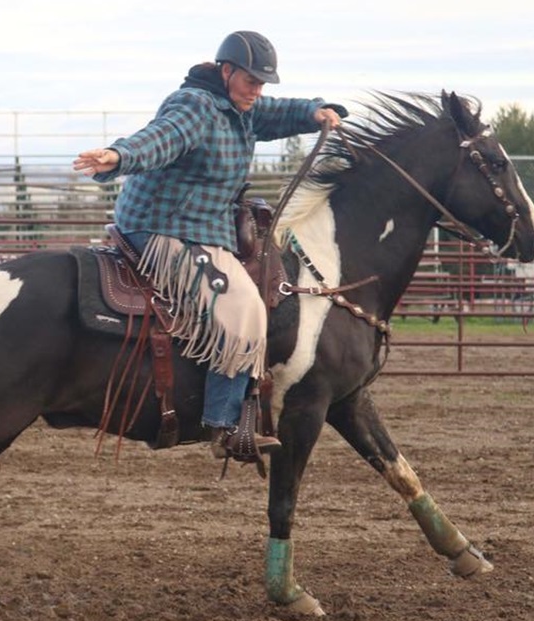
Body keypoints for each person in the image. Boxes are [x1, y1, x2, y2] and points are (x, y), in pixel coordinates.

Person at [73, 30, 345, 463]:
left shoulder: (243, 109)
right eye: (251, 80)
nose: (257, 90)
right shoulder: (196, 107)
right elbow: (160, 138)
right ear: (226, 71)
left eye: (262, 82)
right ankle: (224, 424)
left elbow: (281, 111)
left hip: (201, 229)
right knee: (244, 310)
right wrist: (118, 155)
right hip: (165, 228)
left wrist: (316, 111)